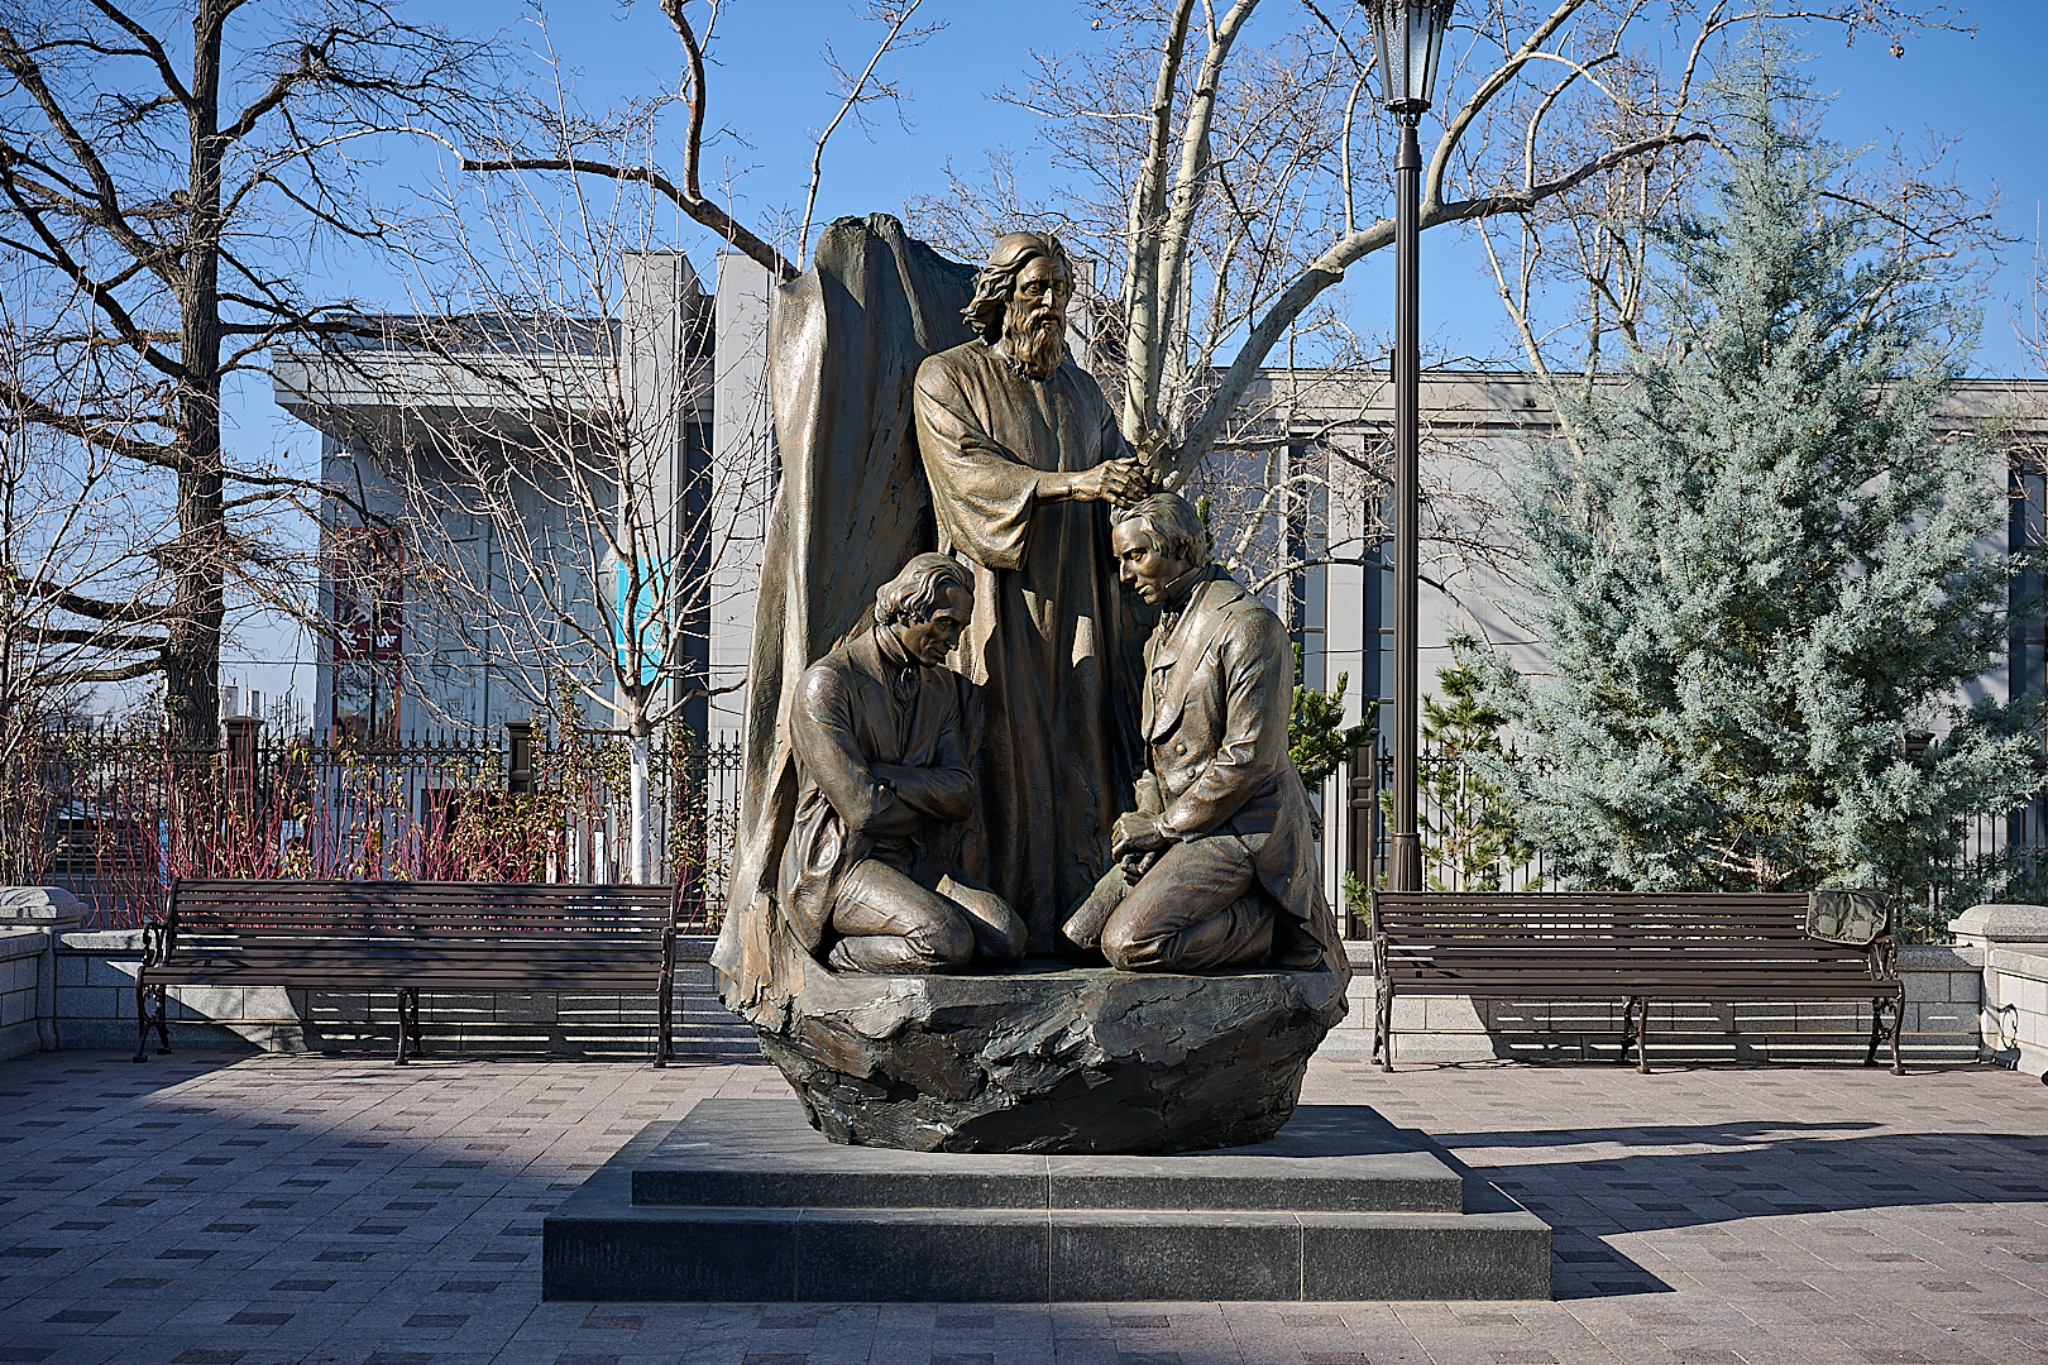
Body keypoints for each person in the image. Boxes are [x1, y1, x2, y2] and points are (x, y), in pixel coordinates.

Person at [912, 231, 1149, 949]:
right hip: (997, 597)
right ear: (1000, 295)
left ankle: (1074, 928)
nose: (1052, 306)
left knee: (1081, 747)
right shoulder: (947, 378)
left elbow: (1118, 464)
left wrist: (1141, 478)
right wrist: (1072, 484)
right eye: (1037, 289)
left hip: (1079, 600)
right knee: (1004, 756)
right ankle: (1005, 925)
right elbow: (967, 478)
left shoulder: (1080, 391)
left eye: (1063, 292)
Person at [1061, 493, 1346, 978]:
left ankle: (1276, 925)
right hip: (1183, 826)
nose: (1126, 576)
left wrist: (1163, 828)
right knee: (1075, 938)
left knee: (1129, 944)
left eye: (1136, 556)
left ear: (1184, 548)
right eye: (1121, 560)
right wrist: (1148, 826)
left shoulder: (1249, 627)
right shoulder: (1160, 636)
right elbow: (1155, 757)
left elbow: (1250, 757)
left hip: (1242, 828)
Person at [782, 553, 1028, 973]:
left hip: (917, 862)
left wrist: (887, 776)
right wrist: (923, 802)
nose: (953, 640)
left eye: (960, 628)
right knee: (945, 940)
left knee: (1008, 937)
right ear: (906, 609)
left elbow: (961, 793)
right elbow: (863, 810)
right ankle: (836, 954)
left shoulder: (939, 688)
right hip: (844, 866)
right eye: (945, 623)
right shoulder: (828, 684)